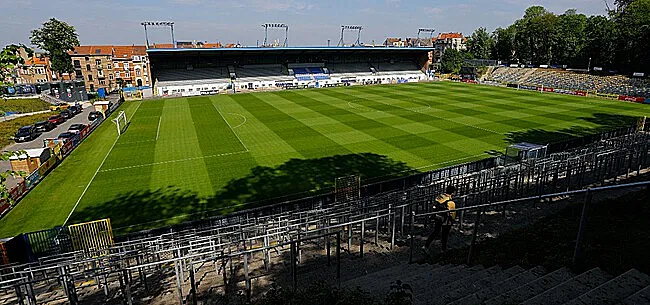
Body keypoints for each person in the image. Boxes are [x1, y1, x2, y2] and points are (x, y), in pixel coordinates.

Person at [424, 185, 457, 253]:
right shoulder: (451, 203)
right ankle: (443, 249)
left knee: (436, 232)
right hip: (446, 220)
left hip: (438, 217)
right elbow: (453, 214)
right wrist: (452, 220)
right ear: (453, 193)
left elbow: (434, 204)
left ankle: (426, 246)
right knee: (445, 235)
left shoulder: (441, 196)